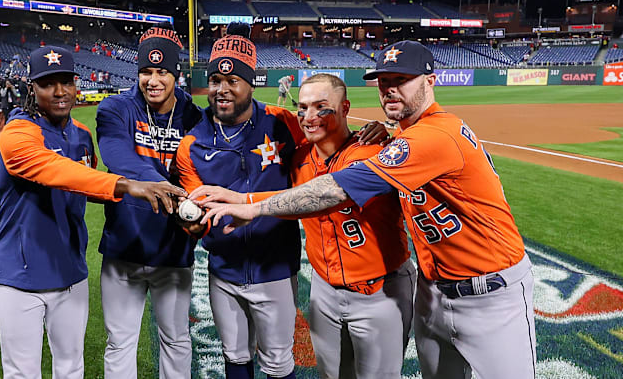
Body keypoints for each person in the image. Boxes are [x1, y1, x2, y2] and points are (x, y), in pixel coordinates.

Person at [200, 40, 536, 379]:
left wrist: (250, 206)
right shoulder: (382, 142)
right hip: (430, 290)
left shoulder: (424, 138)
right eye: (384, 82)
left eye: (401, 80)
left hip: (488, 293)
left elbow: (336, 188)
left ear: (430, 81)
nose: (390, 90)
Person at [189, 74, 415, 379]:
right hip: (325, 290)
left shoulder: (372, 152)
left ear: (345, 107)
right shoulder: (298, 159)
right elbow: (289, 197)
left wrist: (247, 203)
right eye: (303, 108)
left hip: (380, 289)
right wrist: (241, 199)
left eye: (322, 107)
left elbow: (324, 194)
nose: (309, 117)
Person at [0, 45, 187, 379]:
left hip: (70, 273)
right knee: (22, 373)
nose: (59, 91)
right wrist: (130, 186)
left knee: (71, 369)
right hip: (20, 275)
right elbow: (56, 171)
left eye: (66, 81)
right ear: (31, 88)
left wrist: (154, 205)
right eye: (47, 83)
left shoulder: (81, 136)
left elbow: (85, 185)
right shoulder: (17, 132)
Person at [175, 22, 303, 379]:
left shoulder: (283, 123)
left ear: (250, 83)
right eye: (216, 80)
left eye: (233, 81)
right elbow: (195, 215)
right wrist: (191, 224)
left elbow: (321, 167)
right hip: (224, 269)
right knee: (234, 357)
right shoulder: (193, 143)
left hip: (274, 268)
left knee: (278, 361)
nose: (222, 89)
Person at [95, 23, 203, 379]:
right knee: (120, 342)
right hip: (124, 248)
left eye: (162, 72)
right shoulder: (116, 108)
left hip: (172, 250)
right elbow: (117, 155)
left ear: (177, 74)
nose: (152, 80)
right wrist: (160, 184)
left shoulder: (194, 117)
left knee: (175, 340)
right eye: (145, 71)